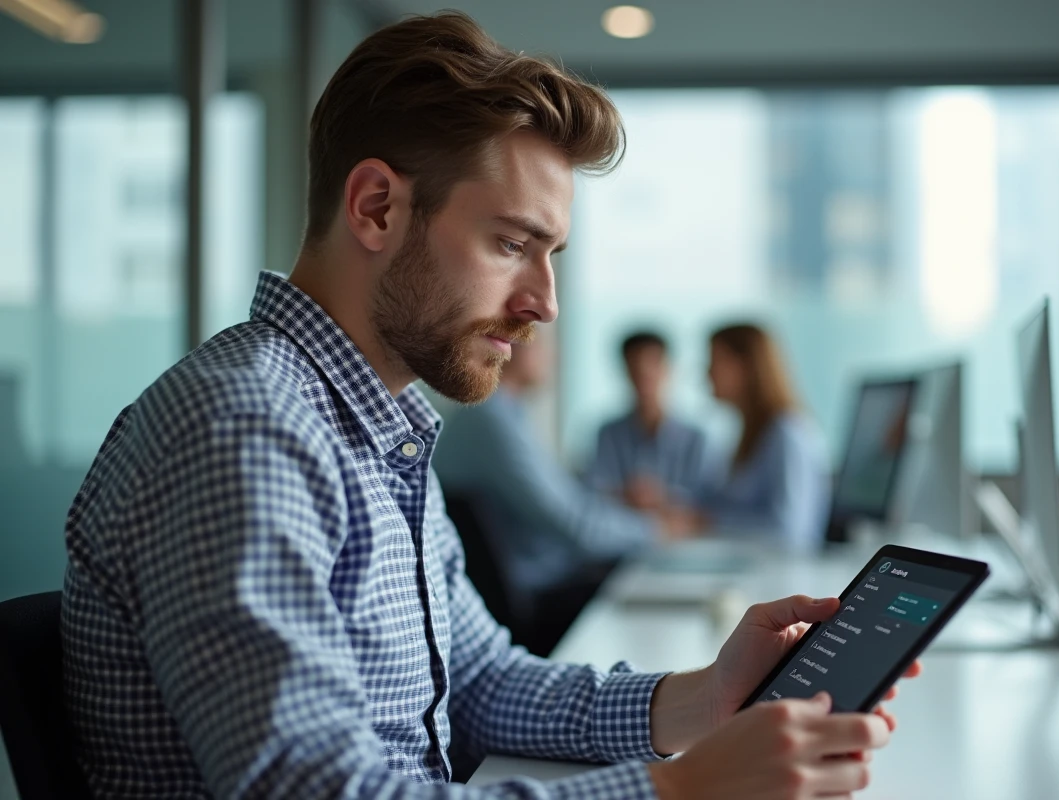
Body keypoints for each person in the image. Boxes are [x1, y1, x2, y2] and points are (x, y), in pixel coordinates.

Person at [60, 13, 912, 799]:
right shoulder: (247, 429)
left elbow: (479, 682)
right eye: (511, 244)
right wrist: (680, 791)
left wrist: (708, 698)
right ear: (377, 208)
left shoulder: (375, 430)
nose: (545, 303)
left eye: (551, 255)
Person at [434, 335, 661, 655]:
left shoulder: (507, 414)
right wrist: (655, 530)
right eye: (540, 342)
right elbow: (574, 525)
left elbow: (570, 504)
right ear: (508, 344)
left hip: (534, 583)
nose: (552, 356)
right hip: (532, 596)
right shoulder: (490, 419)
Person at [698, 323, 832, 549]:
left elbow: (789, 530)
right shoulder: (750, 434)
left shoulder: (787, 434)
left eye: (715, 361)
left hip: (781, 566)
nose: (707, 373)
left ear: (746, 367)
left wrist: (707, 522)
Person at [588, 331, 708, 510]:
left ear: (668, 368)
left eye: (653, 363)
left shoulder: (696, 439)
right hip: (617, 526)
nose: (644, 372)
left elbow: (705, 500)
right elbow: (595, 490)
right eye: (635, 366)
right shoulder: (608, 434)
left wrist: (659, 497)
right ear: (625, 370)